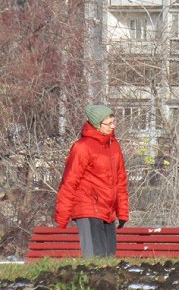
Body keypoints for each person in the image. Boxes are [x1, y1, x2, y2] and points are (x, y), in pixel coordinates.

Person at [55, 105, 130, 258]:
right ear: (97, 125)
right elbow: (69, 182)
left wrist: (122, 211)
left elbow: (120, 181)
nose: (113, 126)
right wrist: (62, 217)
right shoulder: (82, 147)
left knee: (109, 258)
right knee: (94, 260)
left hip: (107, 210)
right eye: (108, 124)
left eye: (113, 122)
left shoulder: (114, 146)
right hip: (88, 208)